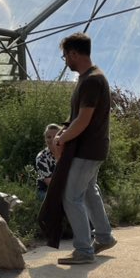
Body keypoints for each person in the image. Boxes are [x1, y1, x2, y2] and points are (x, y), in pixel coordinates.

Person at [52, 32, 116, 264]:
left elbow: (83, 120)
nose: (65, 60)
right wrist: (64, 131)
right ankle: (104, 237)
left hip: (87, 149)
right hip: (94, 148)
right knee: (89, 192)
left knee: (71, 197)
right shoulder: (92, 77)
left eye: (65, 56)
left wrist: (60, 139)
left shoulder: (91, 80)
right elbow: (78, 117)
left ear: (74, 54)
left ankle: (83, 250)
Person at [35, 124, 63, 202]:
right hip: (46, 191)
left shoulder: (67, 153)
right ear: (45, 139)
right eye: (48, 137)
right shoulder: (41, 157)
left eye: (55, 136)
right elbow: (51, 184)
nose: (52, 139)